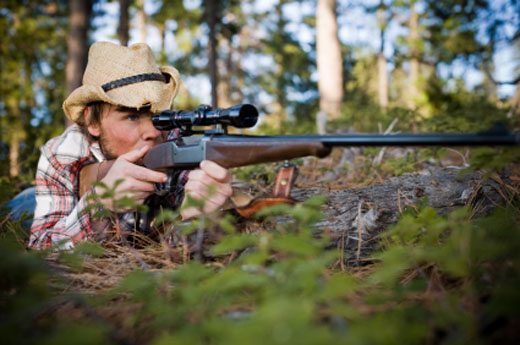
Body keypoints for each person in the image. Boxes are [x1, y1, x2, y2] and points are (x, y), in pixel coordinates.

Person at [29, 41, 232, 249]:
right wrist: (98, 204)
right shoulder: (63, 154)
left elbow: (177, 255)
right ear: (92, 122)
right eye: (132, 117)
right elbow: (40, 250)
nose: (153, 132)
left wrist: (194, 217)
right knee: (22, 207)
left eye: (157, 116)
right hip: (44, 200)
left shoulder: (177, 144)